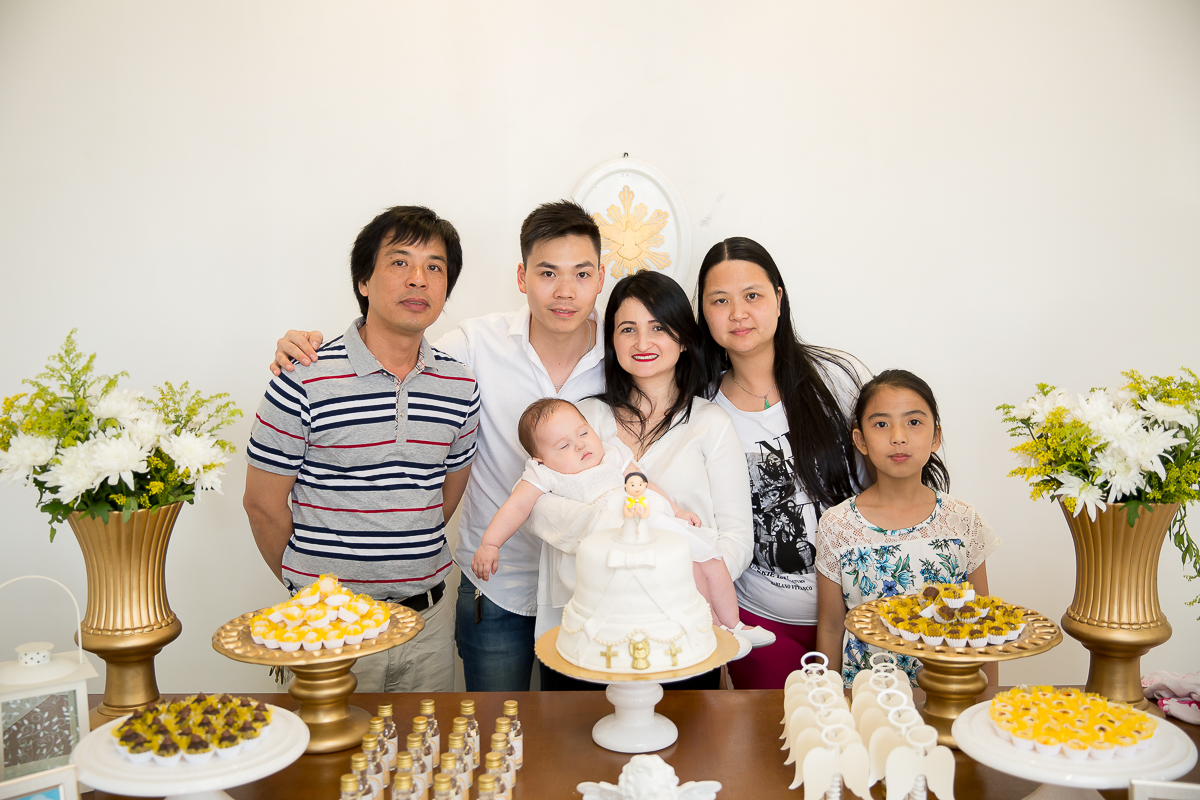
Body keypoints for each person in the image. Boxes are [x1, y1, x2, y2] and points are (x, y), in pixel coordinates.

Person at [269, 201, 606, 692]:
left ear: (601, 278)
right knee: (489, 737)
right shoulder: (472, 346)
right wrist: (300, 347)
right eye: (548, 272)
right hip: (494, 588)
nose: (564, 290)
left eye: (581, 273)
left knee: (577, 739)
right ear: (521, 276)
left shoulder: (620, 353)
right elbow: (396, 346)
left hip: (589, 585)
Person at [243, 206, 480, 692]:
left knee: (424, 761)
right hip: (328, 629)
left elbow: (443, 498)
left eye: (435, 267)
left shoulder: (460, 385)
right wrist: (309, 592)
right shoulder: (303, 376)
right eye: (399, 262)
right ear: (363, 282)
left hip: (427, 624)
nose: (419, 279)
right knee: (328, 765)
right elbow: (262, 505)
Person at [523, 270, 758, 688]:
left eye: (658, 328)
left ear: (684, 338)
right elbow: (540, 508)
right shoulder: (582, 419)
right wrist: (614, 546)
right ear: (611, 341)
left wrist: (665, 578)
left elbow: (736, 538)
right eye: (627, 329)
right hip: (592, 635)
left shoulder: (711, 423)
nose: (642, 343)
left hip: (680, 632)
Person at [694, 237, 872, 690]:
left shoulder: (838, 379)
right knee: (786, 747)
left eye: (752, 296)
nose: (738, 313)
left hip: (861, 612)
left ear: (778, 299)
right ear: (704, 313)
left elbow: (887, 482)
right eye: (720, 300)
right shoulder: (702, 411)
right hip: (761, 622)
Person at [470, 397, 772, 651]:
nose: (579, 446)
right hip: (620, 542)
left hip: (656, 521)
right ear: (540, 458)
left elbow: (643, 482)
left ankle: (736, 624)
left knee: (711, 557)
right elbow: (517, 507)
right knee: (689, 571)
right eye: (563, 446)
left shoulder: (612, 453)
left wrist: (677, 511)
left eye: (583, 433)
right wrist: (490, 543)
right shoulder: (544, 474)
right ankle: (714, 632)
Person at [814, 370, 1001, 687]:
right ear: (860, 439)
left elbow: (983, 621)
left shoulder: (963, 520)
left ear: (936, 436)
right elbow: (831, 627)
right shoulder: (837, 524)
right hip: (865, 698)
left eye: (913, 422)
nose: (898, 436)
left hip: (949, 694)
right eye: (881, 424)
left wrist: (988, 699)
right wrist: (827, 703)